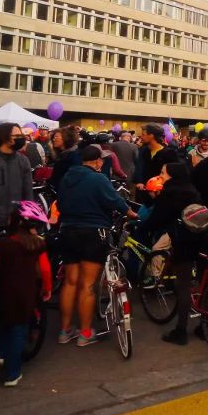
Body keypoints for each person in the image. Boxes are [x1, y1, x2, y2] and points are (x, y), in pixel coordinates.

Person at [57, 146, 135, 347]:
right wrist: (133, 214)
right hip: (92, 232)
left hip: (67, 231)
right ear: (97, 161)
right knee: (88, 285)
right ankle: (85, 333)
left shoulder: (66, 178)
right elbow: (116, 202)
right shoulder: (98, 179)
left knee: (70, 282)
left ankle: (65, 331)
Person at [0, 201, 52, 386]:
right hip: (26, 294)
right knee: (18, 331)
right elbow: (46, 269)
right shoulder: (37, 244)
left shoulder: (4, 244)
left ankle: (1, 354)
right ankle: (13, 373)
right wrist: (46, 289)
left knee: (4, 324)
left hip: (4, 292)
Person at [138, 163, 208, 345]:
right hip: (204, 237)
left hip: (184, 242)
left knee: (182, 285)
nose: (160, 176)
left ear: (172, 175)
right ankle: (205, 325)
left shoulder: (170, 192)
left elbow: (158, 218)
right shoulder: (191, 189)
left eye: (162, 173)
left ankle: (181, 330)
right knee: (204, 281)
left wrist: (140, 228)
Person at [0, 123, 33, 233]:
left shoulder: (23, 161)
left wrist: (30, 223)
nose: (21, 139)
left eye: (21, 135)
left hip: (16, 222)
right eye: (16, 136)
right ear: (5, 138)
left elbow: (28, 193)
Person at [134, 124, 178, 202]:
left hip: (161, 196)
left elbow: (173, 175)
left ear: (152, 136)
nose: (141, 136)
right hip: (143, 194)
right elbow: (139, 168)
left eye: (143, 134)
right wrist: (139, 182)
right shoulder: (143, 151)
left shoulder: (169, 153)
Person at [49, 126, 81, 191]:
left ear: (66, 138)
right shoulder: (62, 154)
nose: (53, 139)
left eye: (56, 137)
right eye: (53, 137)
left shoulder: (73, 156)